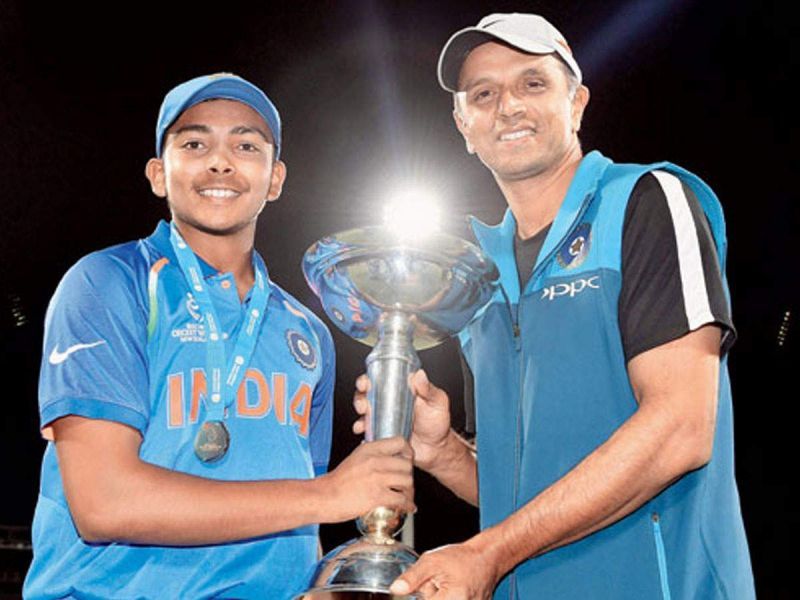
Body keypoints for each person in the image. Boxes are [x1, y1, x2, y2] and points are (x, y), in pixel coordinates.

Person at [354, 13, 755, 599]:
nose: (508, 106)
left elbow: (682, 428)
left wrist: (488, 552)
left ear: (577, 102)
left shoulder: (645, 202)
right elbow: (520, 493)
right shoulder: (479, 277)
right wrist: (442, 453)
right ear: (463, 123)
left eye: (532, 83)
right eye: (484, 94)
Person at [24, 73, 414, 599]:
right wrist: (330, 494)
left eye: (246, 145)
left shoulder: (309, 332)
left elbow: (297, 523)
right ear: (159, 174)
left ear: (275, 179)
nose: (220, 161)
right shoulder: (110, 282)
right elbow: (104, 504)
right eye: (194, 143)